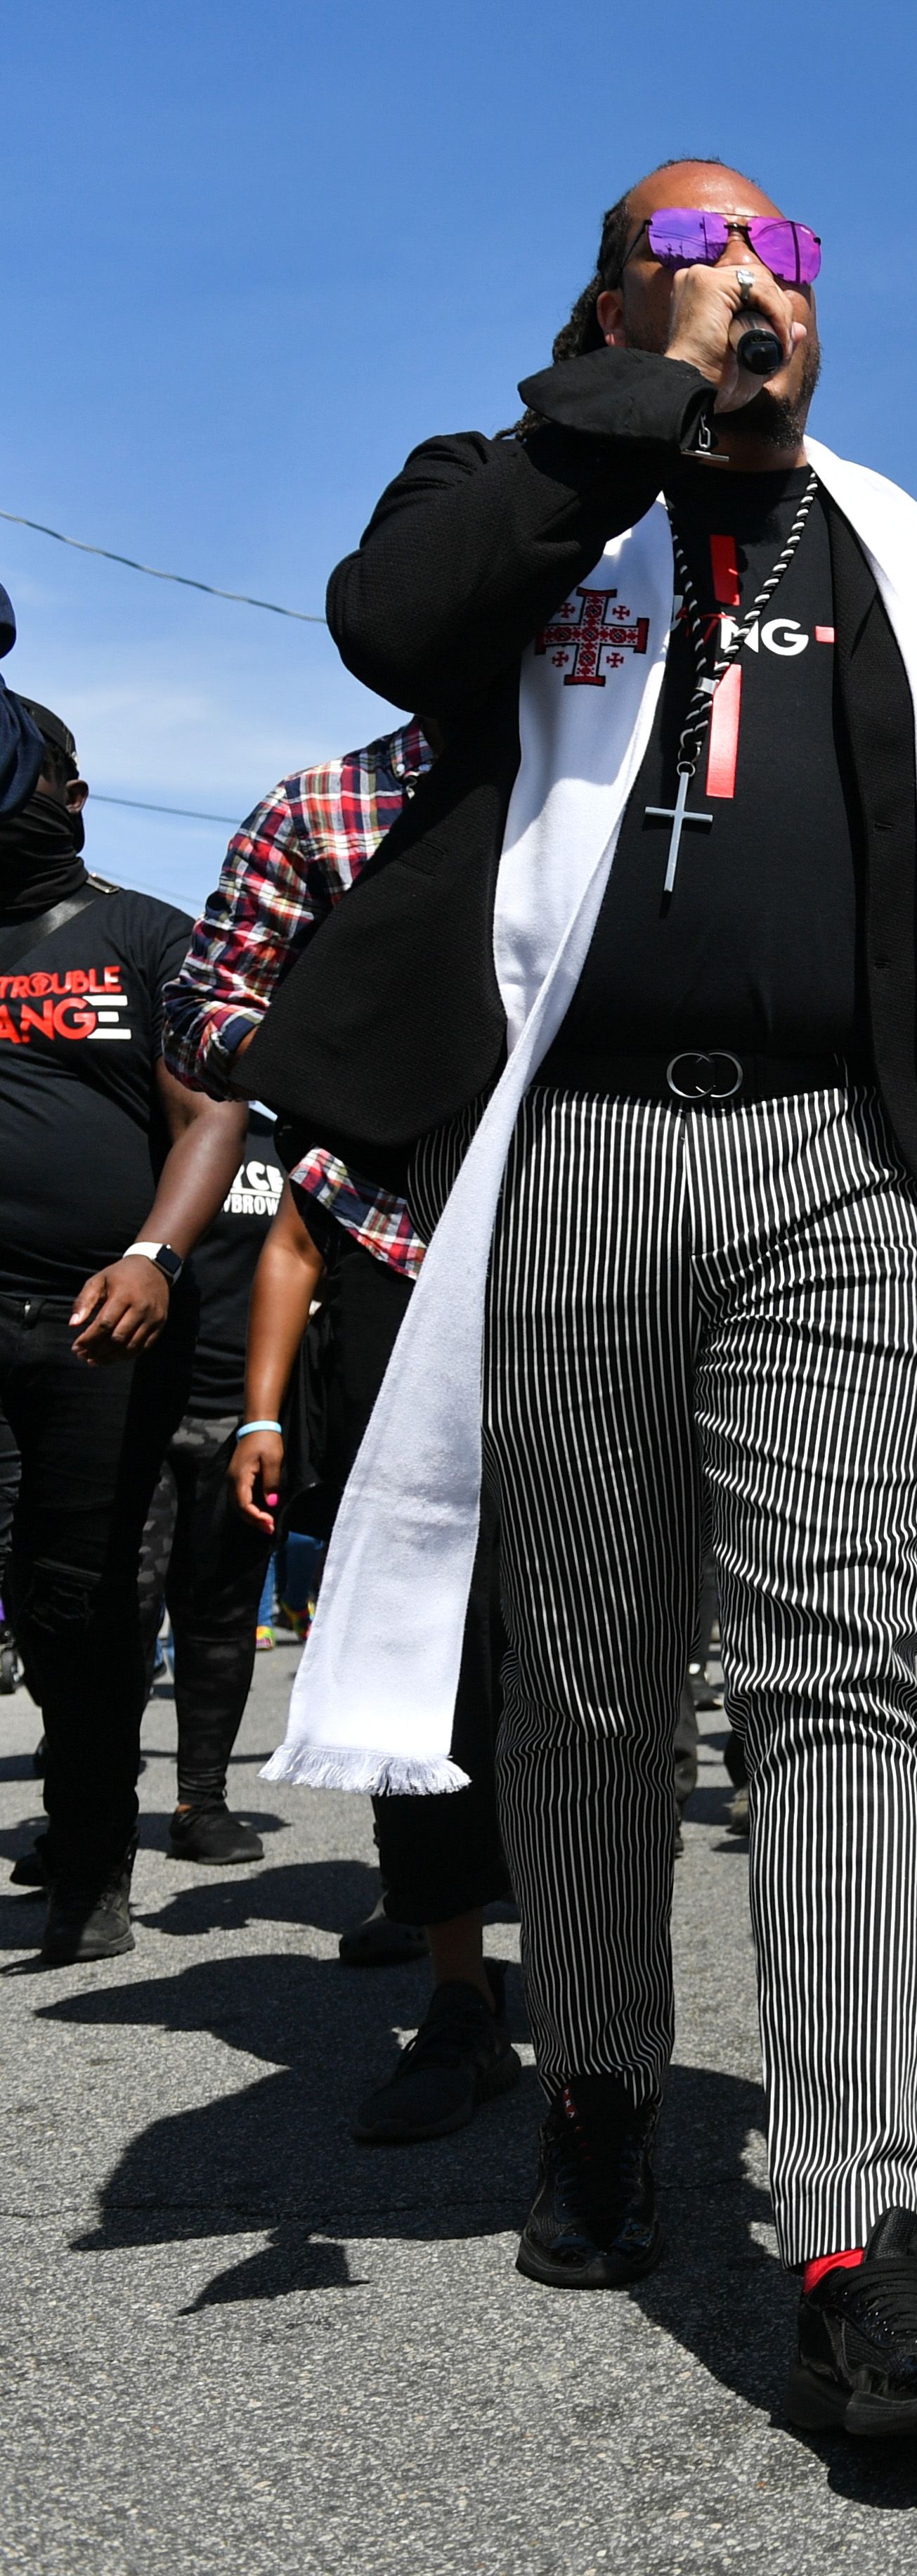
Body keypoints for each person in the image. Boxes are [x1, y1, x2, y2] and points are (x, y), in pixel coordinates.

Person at [233, 162, 917, 2432]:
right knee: (590, 1675)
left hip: (845, 1160)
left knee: (842, 1662)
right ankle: (602, 2074)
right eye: (703, 257)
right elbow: (389, 624)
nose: (761, 292)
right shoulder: (520, 506)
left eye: (795, 262)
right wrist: (621, 395)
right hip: (578, 1155)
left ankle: (855, 2218)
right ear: (614, 296)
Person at [166, 720, 530, 2128]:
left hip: (609, 1232)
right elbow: (207, 1002)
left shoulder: (630, 758)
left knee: (590, 1619)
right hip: (396, 1242)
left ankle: (587, 1956)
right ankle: (457, 1985)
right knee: (414, 1624)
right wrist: (349, 1056)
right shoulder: (326, 803)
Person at [0, 657, 252, 1966]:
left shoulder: (146, 935)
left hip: (95, 1325)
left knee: (75, 1604)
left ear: (71, 791)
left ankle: (89, 1854)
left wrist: (156, 1252)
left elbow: (211, 1111)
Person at [128, 1105, 289, 1867]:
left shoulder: (291, 1137)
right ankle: (89, 1804)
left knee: (221, 1617)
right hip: (135, 1405)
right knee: (112, 1614)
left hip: (244, 1417)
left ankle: (202, 1801)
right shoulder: (160, 1126)